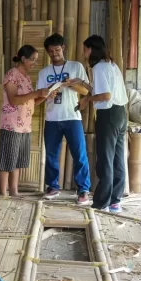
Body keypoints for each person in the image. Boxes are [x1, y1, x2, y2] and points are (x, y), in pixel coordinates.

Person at [36, 33, 92, 206]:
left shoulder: (76, 66)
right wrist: (48, 94)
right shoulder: (44, 72)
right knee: (51, 155)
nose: (54, 54)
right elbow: (39, 95)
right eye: (51, 51)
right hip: (52, 118)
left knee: (79, 154)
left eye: (57, 50)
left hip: (72, 117)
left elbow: (86, 91)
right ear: (47, 52)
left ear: (63, 48)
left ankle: (83, 190)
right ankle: (53, 187)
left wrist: (72, 84)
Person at [75, 35, 129, 213]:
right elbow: (103, 90)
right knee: (117, 159)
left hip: (108, 115)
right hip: (120, 113)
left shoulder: (98, 67)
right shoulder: (111, 65)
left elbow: (105, 96)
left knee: (105, 159)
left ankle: (102, 203)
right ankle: (115, 201)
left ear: (92, 49)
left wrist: (86, 99)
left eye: (85, 49)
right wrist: (82, 84)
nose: (84, 53)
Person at [0, 45, 48, 196]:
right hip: (11, 124)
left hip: (25, 125)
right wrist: (37, 93)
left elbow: (30, 102)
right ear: (23, 59)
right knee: (7, 162)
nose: (35, 63)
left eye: (36, 60)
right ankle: (3, 195)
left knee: (17, 161)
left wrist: (44, 96)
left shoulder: (26, 78)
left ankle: (14, 192)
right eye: (32, 59)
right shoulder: (12, 74)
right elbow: (14, 100)